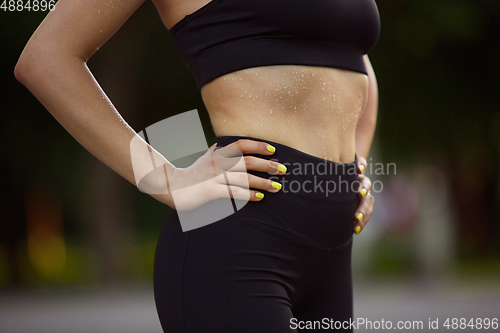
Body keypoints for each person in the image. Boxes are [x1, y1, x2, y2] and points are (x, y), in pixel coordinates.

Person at [15, 0, 379, 331]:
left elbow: (353, 61)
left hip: (334, 247)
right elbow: (46, 58)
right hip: (237, 240)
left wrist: (354, 167)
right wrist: (167, 179)